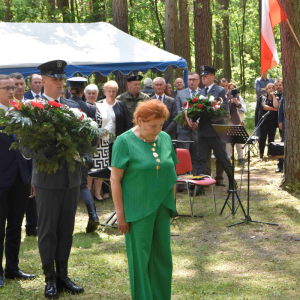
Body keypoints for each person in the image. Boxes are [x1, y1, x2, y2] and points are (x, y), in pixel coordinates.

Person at [22, 60, 85, 299]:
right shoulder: (32, 108)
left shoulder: (73, 107)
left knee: (66, 229)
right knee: (48, 230)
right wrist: (53, 150)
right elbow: (26, 148)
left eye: (62, 78)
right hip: (47, 179)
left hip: (71, 178)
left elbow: (85, 140)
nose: (60, 82)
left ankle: (63, 275)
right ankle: (49, 278)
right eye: (55, 78)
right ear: (43, 81)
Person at [111, 99, 178, 300]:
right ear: (139, 121)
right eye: (152, 125)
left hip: (162, 206)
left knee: (163, 257)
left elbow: (172, 171)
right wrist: (121, 215)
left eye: (160, 125)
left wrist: (172, 204)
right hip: (137, 208)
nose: (157, 130)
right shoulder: (124, 141)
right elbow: (115, 179)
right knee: (140, 259)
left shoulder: (165, 138)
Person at [0, 75, 36, 289]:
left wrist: (30, 176)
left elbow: (28, 147)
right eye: (6, 88)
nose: (12, 92)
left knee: (15, 226)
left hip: (20, 177)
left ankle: (12, 268)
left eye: (13, 88)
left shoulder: (20, 112)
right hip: (1, 178)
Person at [67, 77, 100, 233]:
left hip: (67, 150)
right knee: (83, 185)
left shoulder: (64, 106)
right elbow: (95, 133)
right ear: (83, 91)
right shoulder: (91, 108)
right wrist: (91, 151)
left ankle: (67, 220)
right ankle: (93, 215)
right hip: (85, 151)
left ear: (69, 89)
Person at [196, 65, 233, 195]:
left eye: (205, 76)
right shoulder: (200, 92)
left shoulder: (220, 91)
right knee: (201, 159)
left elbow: (222, 110)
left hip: (216, 130)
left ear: (212, 77)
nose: (203, 78)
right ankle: (200, 187)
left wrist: (207, 112)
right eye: (202, 76)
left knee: (222, 158)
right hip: (203, 131)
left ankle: (232, 182)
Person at [11, 73, 38, 237]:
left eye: (21, 84)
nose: (19, 87)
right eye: (15, 84)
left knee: (30, 193)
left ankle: (31, 225)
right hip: (9, 161)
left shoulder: (30, 106)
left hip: (28, 157)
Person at [95, 80, 132, 201]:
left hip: (118, 140)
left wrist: (123, 138)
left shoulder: (121, 105)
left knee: (117, 165)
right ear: (104, 92)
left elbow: (128, 123)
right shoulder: (99, 104)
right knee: (104, 166)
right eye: (109, 91)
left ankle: (117, 190)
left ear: (116, 92)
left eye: (113, 91)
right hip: (103, 141)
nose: (111, 93)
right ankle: (105, 192)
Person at [258, 82, 279, 158]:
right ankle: (261, 153)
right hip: (264, 121)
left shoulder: (276, 97)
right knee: (263, 137)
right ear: (266, 90)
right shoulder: (263, 97)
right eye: (269, 88)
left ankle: (270, 153)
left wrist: (273, 96)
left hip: (273, 121)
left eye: (272, 88)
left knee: (271, 138)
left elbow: (276, 105)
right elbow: (264, 107)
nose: (271, 89)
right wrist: (274, 109)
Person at [255, 70, 275, 137]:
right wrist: (268, 92)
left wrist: (264, 89)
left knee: (271, 121)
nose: (263, 73)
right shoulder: (258, 81)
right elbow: (258, 91)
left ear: (267, 72)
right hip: (261, 102)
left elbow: (275, 90)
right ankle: (259, 138)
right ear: (260, 72)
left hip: (272, 101)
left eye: (265, 71)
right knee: (260, 120)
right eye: (262, 71)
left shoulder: (271, 80)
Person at [277, 94, 284, 172]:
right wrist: (280, 121)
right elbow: (280, 108)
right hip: (287, 123)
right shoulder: (285, 94)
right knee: (283, 143)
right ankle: (280, 165)